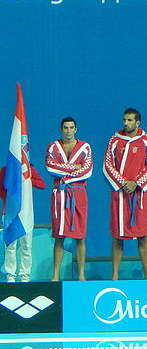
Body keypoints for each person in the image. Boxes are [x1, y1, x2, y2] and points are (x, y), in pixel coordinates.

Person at [103, 108, 147, 280]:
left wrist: (137, 183)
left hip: (139, 195)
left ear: (137, 122)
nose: (126, 123)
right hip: (120, 195)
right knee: (117, 235)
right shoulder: (114, 140)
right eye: (124, 120)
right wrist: (123, 183)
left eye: (129, 120)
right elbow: (107, 165)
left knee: (143, 235)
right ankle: (115, 275)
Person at [45, 117, 93, 281]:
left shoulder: (85, 147)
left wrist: (64, 175)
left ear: (76, 129)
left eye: (71, 128)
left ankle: (81, 275)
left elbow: (87, 171)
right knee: (59, 236)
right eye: (65, 128)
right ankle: (55, 275)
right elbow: (50, 168)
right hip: (60, 195)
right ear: (61, 129)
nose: (68, 131)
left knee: (80, 237)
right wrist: (74, 167)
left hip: (78, 194)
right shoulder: (53, 147)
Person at [0, 165, 45, 282]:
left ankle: (25, 276)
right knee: (10, 245)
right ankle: (10, 275)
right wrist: (12, 199)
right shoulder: (6, 169)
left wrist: (28, 179)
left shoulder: (29, 169)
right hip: (10, 213)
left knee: (26, 246)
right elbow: (0, 188)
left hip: (26, 213)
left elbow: (42, 184)